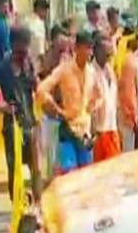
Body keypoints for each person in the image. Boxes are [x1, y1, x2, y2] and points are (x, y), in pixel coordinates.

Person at [37, 31, 101, 174]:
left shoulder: (92, 72)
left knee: (86, 175)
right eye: (86, 48)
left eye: (91, 49)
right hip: (67, 128)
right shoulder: (64, 70)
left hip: (85, 132)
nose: (89, 53)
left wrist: (92, 109)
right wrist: (53, 106)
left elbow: (99, 96)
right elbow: (42, 89)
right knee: (69, 175)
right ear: (77, 48)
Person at [0, 26, 40, 200]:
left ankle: (38, 206)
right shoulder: (1, 68)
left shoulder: (29, 65)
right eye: (21, 47)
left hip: (30, 124)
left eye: (27, 46)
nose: (24, 51)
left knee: (36, 168)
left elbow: (36, 88)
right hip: (12, 126)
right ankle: (18, 206)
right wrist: (0, 107)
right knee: (14, 169)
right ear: (13, 44)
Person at [92, 32, 121, 162]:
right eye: (106, 52)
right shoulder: (90, 72)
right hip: (98, 131)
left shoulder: (110, 70)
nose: (109, 56)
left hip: (112, 129)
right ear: (97, 51)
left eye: (110, 52)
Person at [117, 36, 138, 152]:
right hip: (127, 112)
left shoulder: (123, 58)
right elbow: (129, 91)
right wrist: (133, 114)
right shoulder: (131, 63)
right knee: (127, 148)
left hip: (121, 109)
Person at [25, 0, 50, 74]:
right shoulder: (39, 24)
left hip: (25, 65)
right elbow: (40, 50)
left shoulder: (26, 21)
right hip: (36, 67)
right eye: (45, 11)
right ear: (39, 9)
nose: (46, 14)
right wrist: (46, 66)